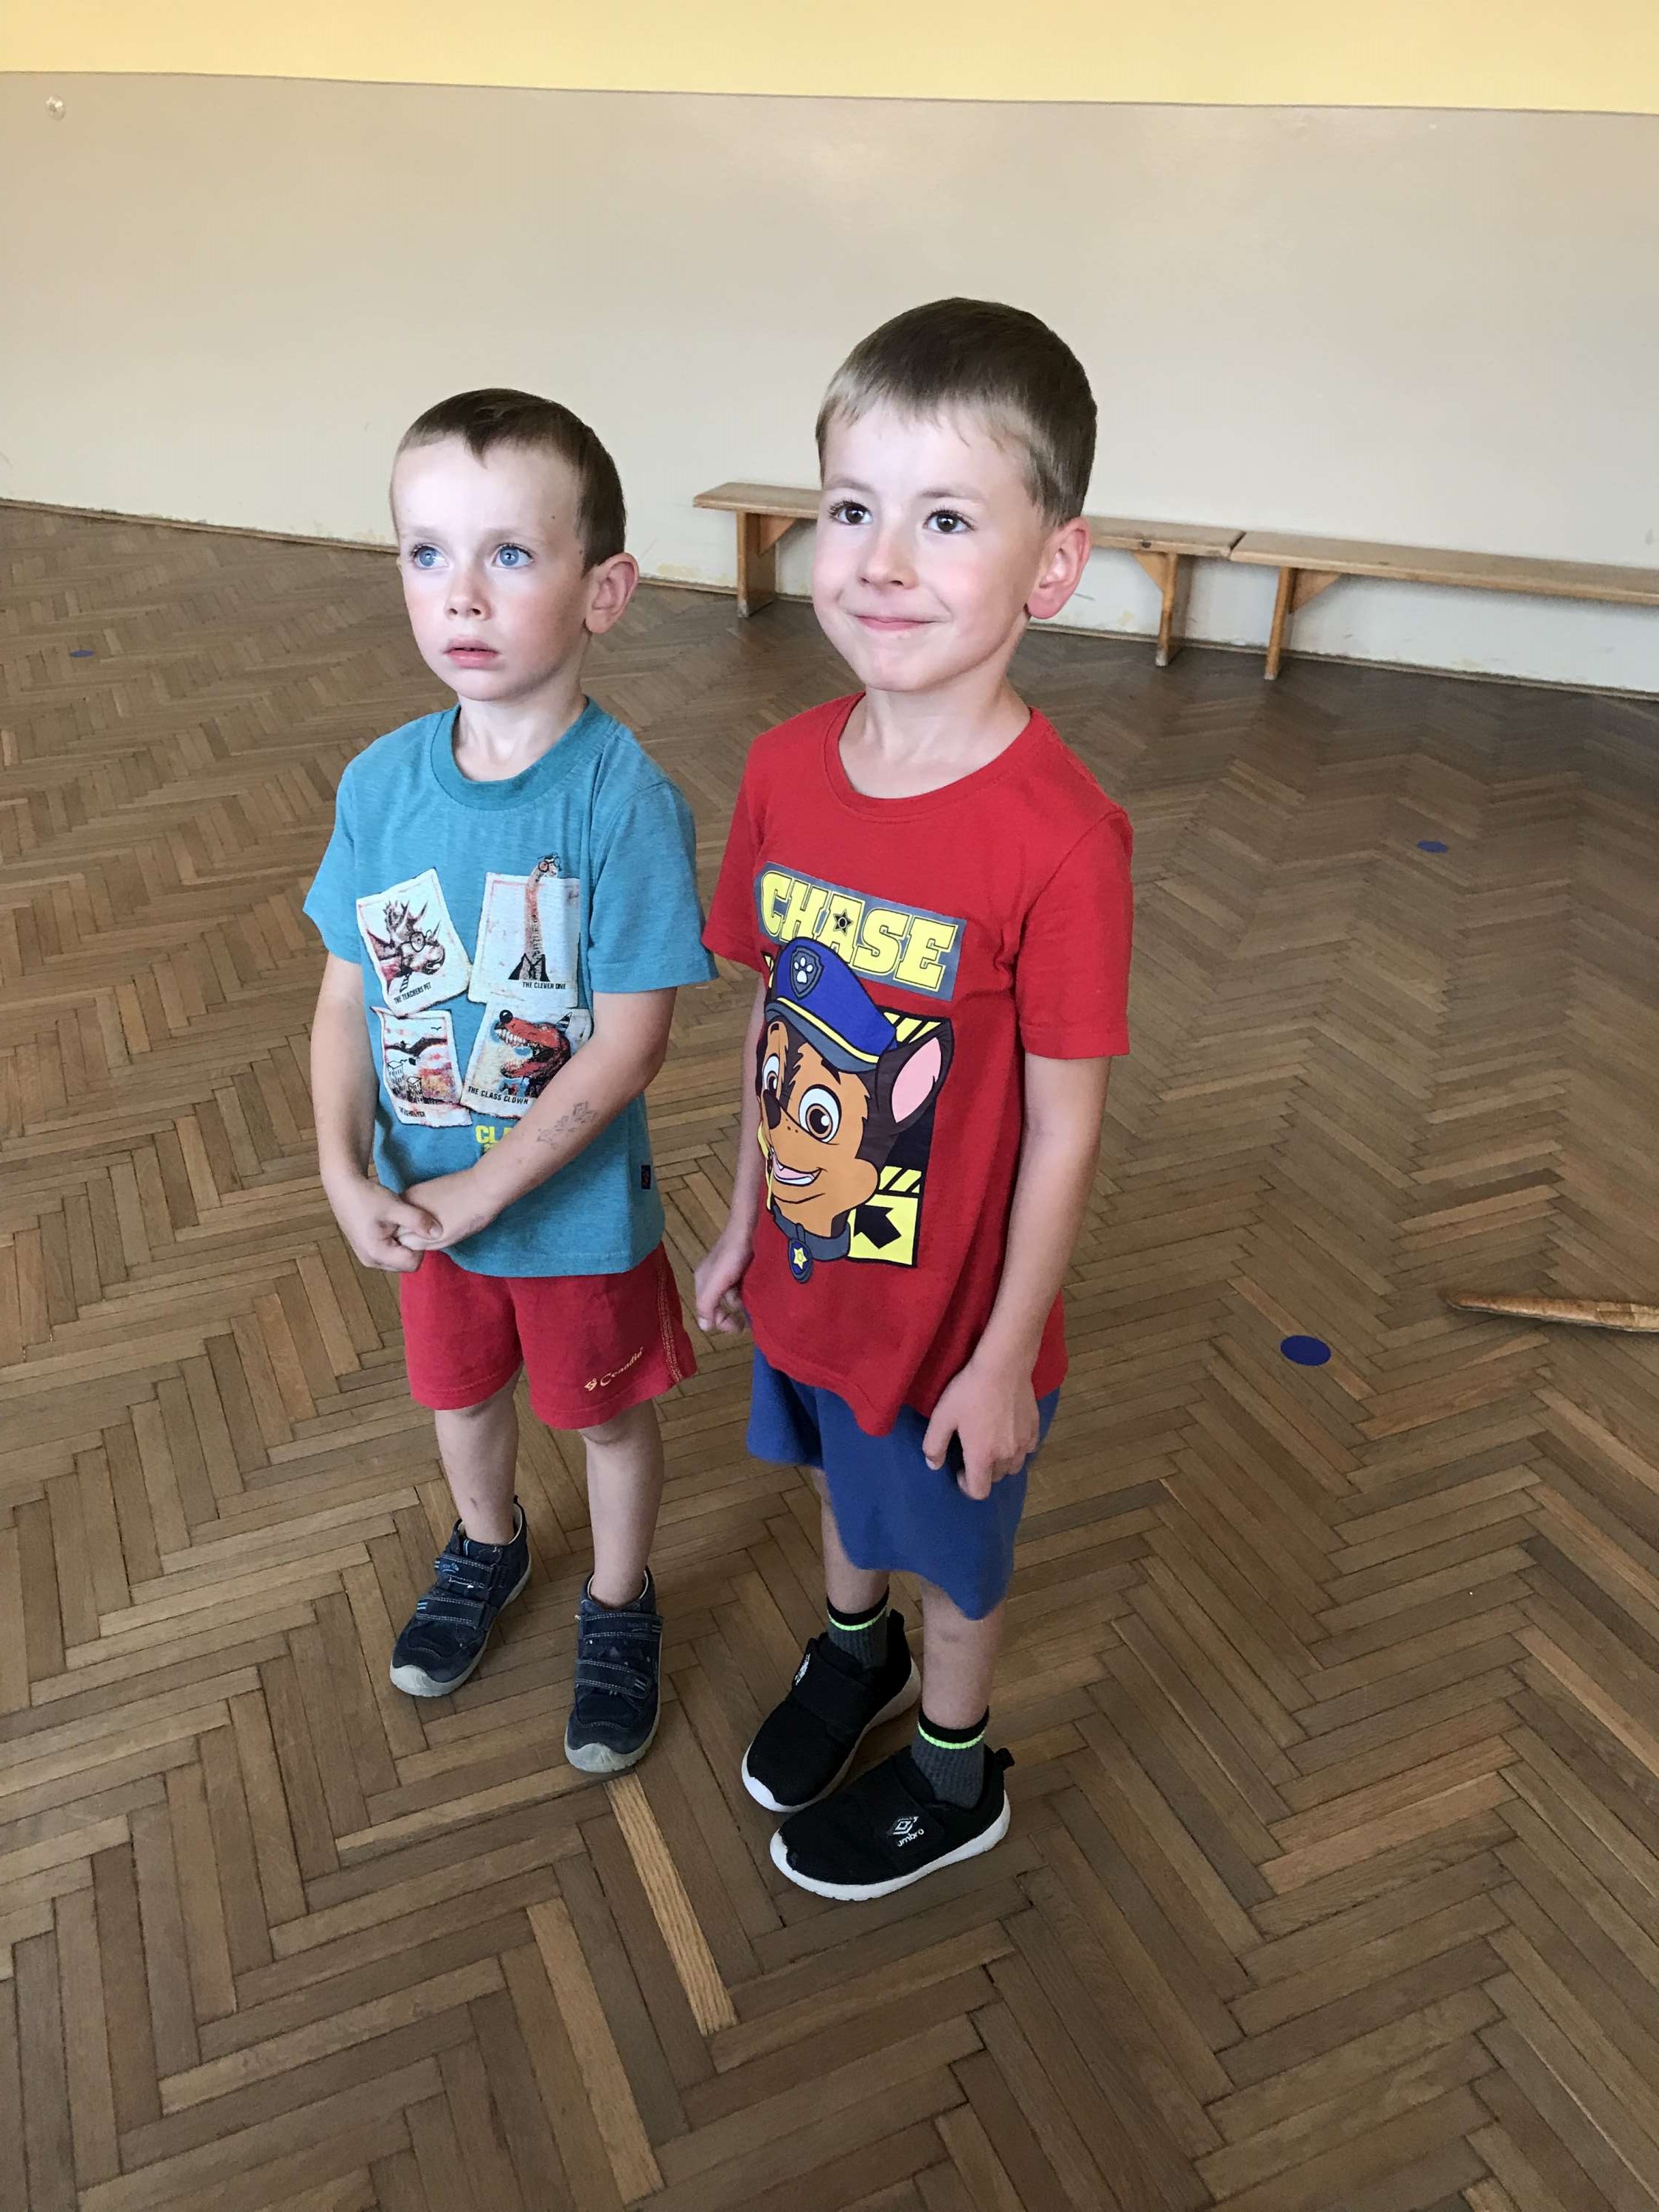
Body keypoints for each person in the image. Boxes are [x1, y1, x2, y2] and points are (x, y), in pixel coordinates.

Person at [696, 300, 1133, 1899]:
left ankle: (956, 1774)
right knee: (836, 1480)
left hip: (954, 1325)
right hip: (812, 1262)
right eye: (851, 509)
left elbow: (1067, 1124)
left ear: (1051, 566)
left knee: (952, 1555)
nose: (881, 561)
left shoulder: (1062, 839)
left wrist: (1004, 1355)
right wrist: (742, 1221)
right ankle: (850, 1646)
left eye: (945, 520)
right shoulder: (782, 771)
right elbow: (773, 1020)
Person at [305, 388, 714, 1773]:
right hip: (425, 1207)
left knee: (603, 1414)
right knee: (460, 1395)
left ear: (604, 592)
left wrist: (486, 1191)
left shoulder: (623, 801)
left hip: (574, 1221)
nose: (460, 594)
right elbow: (346, 995)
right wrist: (340, 1168)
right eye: (426, 553)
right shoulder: (379, 785)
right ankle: (487, 1546)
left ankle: (620, 1601)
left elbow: (631, 1041)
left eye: (509, 554)